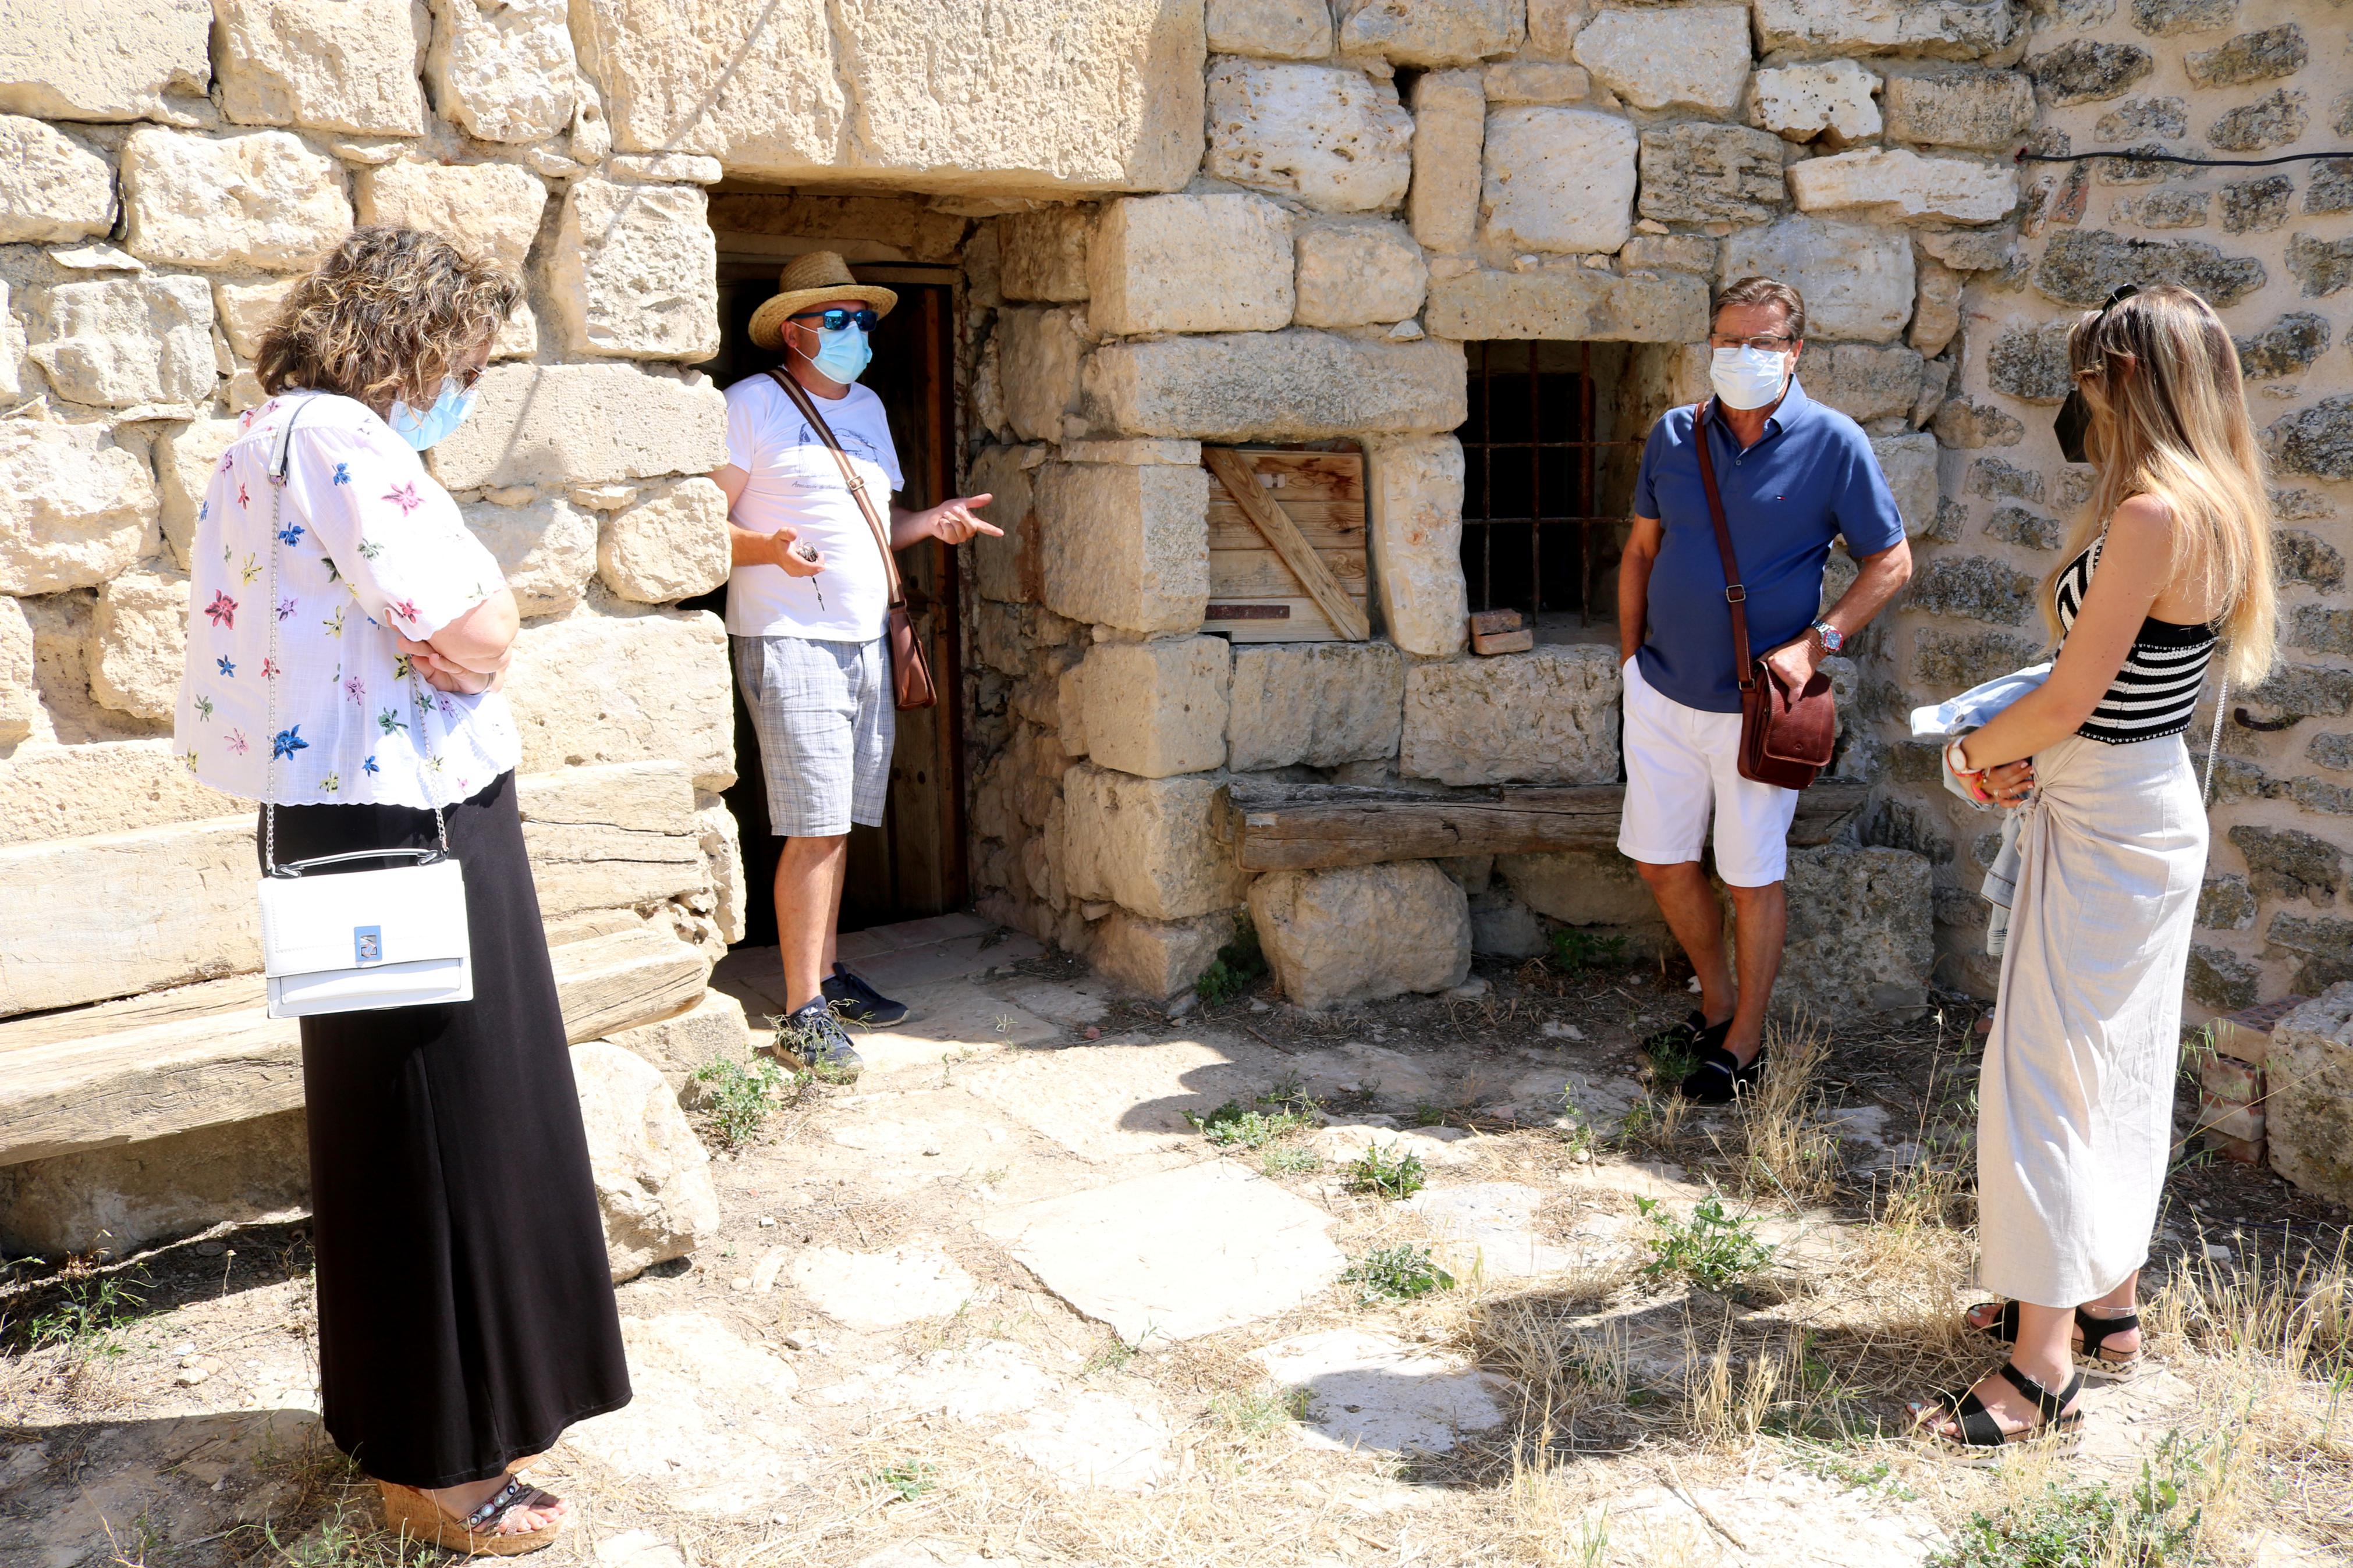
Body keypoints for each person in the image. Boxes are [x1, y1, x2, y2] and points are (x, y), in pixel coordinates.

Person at [173, 227, 629, 1555]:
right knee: (446, 1122)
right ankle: (436, 1463)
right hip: (408, 815)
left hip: (336, 813)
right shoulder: (344, 439)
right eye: (469, 359)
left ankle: (442, 1421)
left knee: (408, 1127)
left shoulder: (260, 438)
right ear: (413, 336)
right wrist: (469, 639)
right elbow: (478, 629)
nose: (468, 387)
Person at [1915, 284, 2277, 1459]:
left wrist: (1975, 751)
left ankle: (2039, 1367)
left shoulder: (2151, 517)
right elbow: (2117, 686)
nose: (2081, 404)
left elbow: (2073, 698)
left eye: (2088, 380)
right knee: (2114, 1064)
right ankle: (2108, 1303)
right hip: (2146, 798)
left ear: (2127, 381)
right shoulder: (2220, 508)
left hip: (2108, 809)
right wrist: (2023, 745)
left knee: (2043, 1079)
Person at [1616, 276, 1915, 1103]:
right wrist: (1628, 659)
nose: (1740, 356)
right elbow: (1641, 551)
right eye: (1727, 340)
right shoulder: (1674, 436)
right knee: (1662, 862)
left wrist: (1820, 642)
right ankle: (1714, 1004)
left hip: (1759, 707)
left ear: (1795, 352)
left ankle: (1746, 1042)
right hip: (1662, 695)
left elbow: (1890, 561)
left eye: (1761, 342)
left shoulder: (1834, 442)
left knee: (1752, 875)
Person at [711, 251, 1000, 1080]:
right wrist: (765, 547)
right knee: (816, 823)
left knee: (839, 819)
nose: (855, 335)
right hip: (789, 638)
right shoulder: (753, 405)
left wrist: (933, 521)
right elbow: (703, 519)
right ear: (794, 330)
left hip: (865, 640)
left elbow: (882, 521)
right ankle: (802, 1011)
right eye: (837, 322)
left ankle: (827, 979)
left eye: (863, 321)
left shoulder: (868, 406)